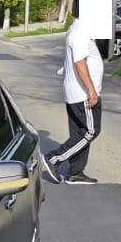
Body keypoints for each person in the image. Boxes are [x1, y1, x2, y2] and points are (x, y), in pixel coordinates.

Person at [40, 21, 103, 185]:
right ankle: (54, 158)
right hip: (83, 94)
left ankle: (75, 173)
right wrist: (91, 90)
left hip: (77, 92)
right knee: (91, 131)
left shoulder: (78, 29)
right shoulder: (80, 31)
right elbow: (79, 62)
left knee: (79, 134)